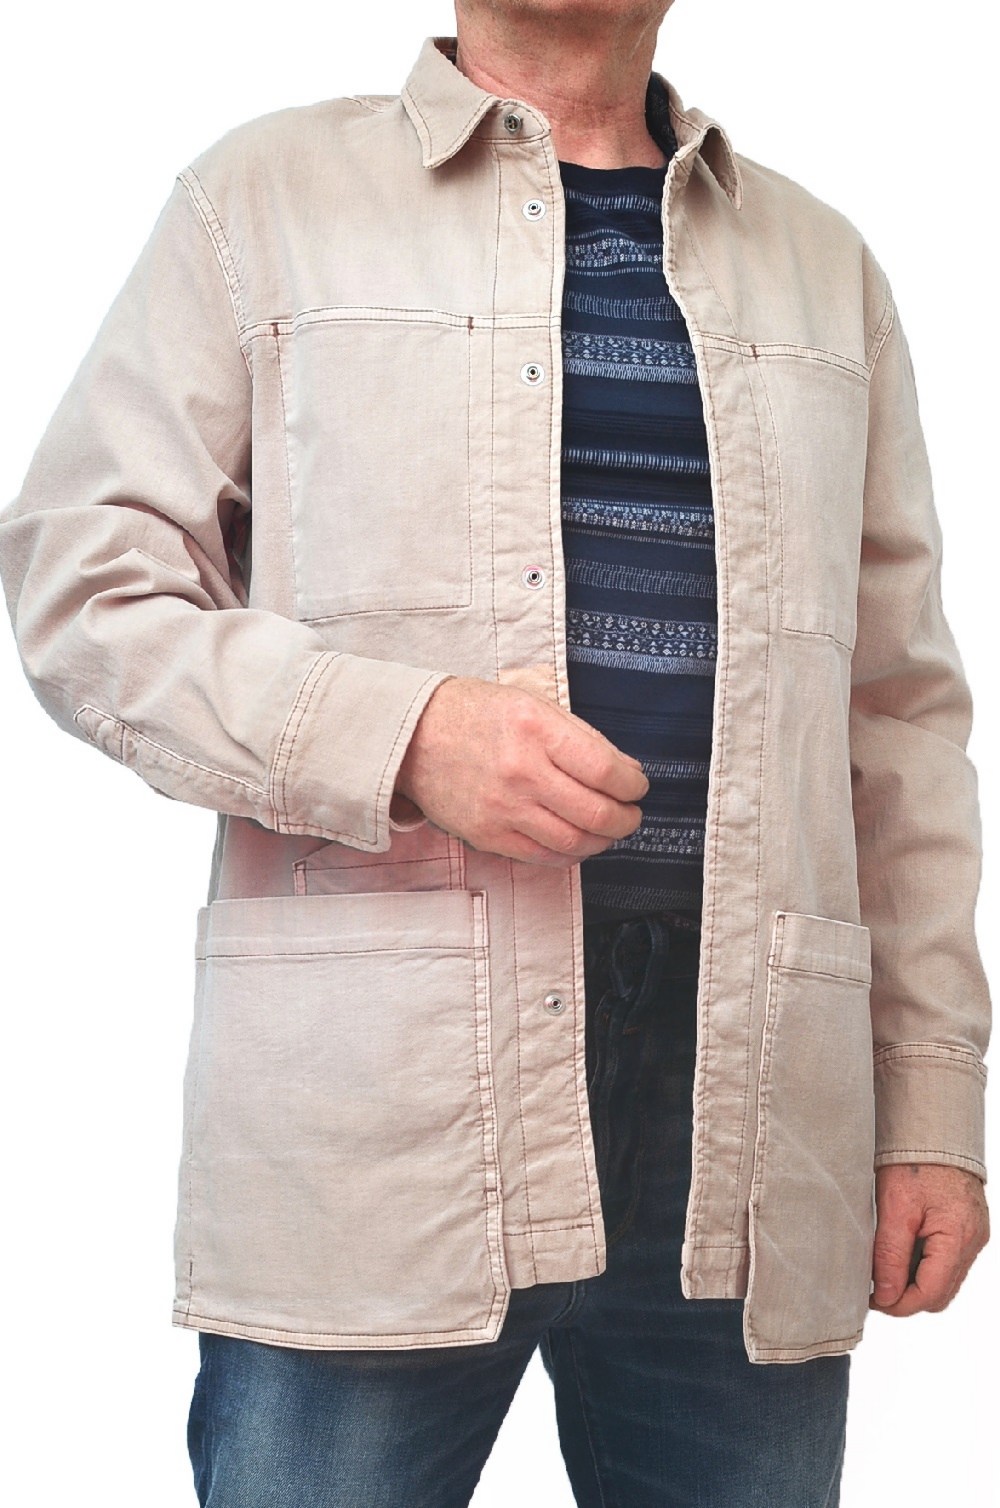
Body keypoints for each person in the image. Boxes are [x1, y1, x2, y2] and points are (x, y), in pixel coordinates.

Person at [0, 2, 991, 1504]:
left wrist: (930, 1103)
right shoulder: (263, 201)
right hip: (377, 1114)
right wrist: (405, 736)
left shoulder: (823, 268)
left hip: (752, 1110)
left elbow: (897, 716)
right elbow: (87, 593)